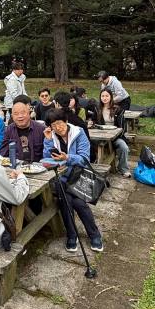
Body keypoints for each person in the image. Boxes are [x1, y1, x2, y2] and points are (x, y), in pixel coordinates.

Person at [42, 108, 103, 252]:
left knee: (76, 201)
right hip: (60, 178)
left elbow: (84, 159)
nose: (58, 128)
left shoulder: (79, 133)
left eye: (60, 123)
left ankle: (79, 235)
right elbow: (46, 159)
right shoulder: (52, 135)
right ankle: (81, 235)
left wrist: (67, 158)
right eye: (54, 125)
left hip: (78, 178)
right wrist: (49, 141)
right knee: (66, 198)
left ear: (66, 121)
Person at [95, 88, 131, 177]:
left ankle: (123, 169)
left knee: (124, 147)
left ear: (111, 97)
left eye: (107, 96)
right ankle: (95, 167)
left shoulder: (118, 109)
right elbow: (93, 122)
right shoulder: (97, 109)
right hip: (100, 136)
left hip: (115, 137)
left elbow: (122, 128)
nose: (104, 98)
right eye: (102, 96)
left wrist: (116, 135)